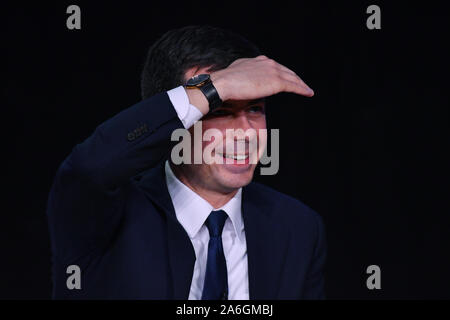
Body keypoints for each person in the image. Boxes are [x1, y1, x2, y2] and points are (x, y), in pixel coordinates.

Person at [47, 25, 326, 299]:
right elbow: (89, 167)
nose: (247, 132)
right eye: (219, 111)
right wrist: (218, 85)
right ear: (175, 118)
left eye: (255, 109)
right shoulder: (104, 217)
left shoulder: (297, 227)